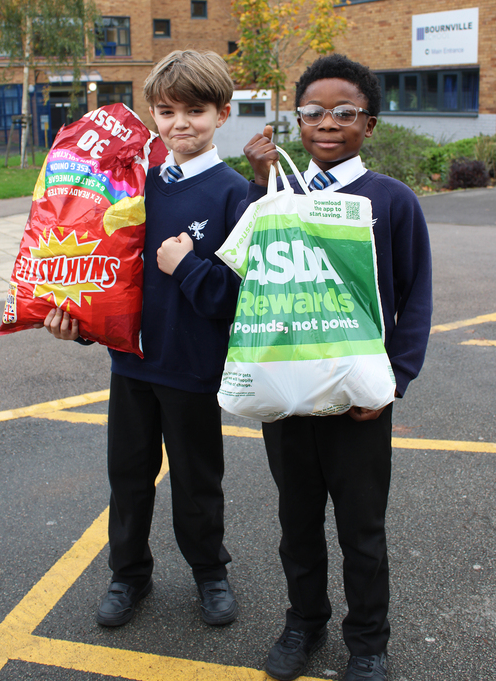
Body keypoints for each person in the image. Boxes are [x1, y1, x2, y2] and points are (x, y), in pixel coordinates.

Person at [239, 54, 432, 681]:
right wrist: (256, 182)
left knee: (360, 529)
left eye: (344, 112)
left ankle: (368, 642)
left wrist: (394, 381)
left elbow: (414, 296)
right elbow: (249, 279)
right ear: (296, 121)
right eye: (313, 111)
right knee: (296, 522)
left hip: (359, 400)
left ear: (369, 124)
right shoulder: (275, 196)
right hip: (287, 394)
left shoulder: (391, 201)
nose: (328, 122)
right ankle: (304, 622)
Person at [43, 50, 248, 628]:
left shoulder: (235, 196)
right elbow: (106, 275)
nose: (180, 124)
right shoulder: (135, 188)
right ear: (152, 115)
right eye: (166, 111)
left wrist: (184, 266)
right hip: (131, 365)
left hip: (194, 368)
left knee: (197, 481)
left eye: (195, 110)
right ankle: (128, 573)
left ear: (222, 114)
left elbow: (232, 297)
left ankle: (210, 571)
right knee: (129, 479)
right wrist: (78, 323)